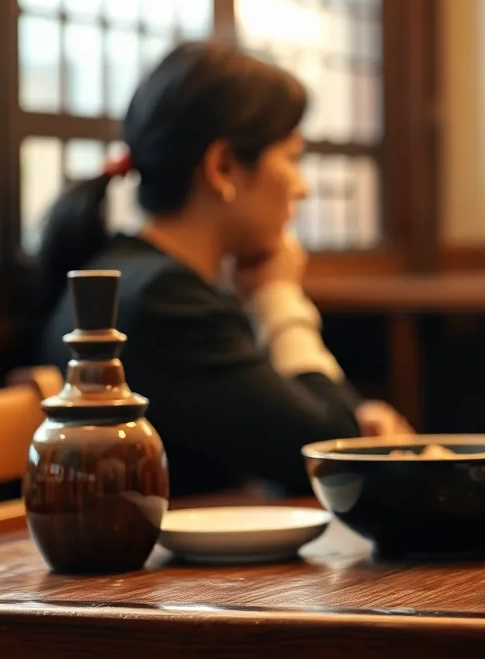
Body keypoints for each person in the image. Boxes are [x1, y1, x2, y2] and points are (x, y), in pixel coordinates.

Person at [36, 41, 413, 497]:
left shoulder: (133, 279)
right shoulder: (165, 301)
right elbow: (336, 457)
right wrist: (277, 297)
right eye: (291, 160)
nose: (302, 188)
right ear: (224, 167)